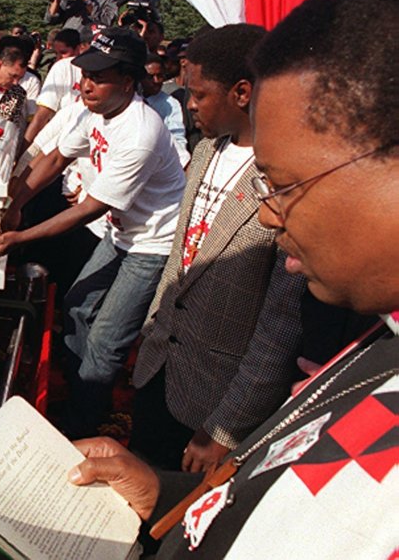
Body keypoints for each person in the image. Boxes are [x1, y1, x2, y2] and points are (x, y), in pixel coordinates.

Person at [70, 0, 398, 558]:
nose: (271, 213)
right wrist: (163, 494)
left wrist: (221, 430)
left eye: (287, 184)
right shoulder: (378, 345)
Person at [0, 28, 185, 439]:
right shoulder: (95, 112)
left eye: (100, 76)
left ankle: (83, 422)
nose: (87, 84)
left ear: (127, 82)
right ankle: (84, 389)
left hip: (153, 242)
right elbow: (55, 158)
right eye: (85, 73)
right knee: (75, 304)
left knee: (107, 337)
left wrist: (20, 237)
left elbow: (92, 207)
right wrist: (15, 203)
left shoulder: (140, 132)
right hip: (120, 232)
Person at [129, 25, 307, 474]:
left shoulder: (287, 178)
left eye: (200, 94)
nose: (189, 104)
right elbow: (181, 257)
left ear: (242, 92)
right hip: (160, 367)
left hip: (213, 401)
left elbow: (280, 324)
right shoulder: (207, 150)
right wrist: (153, 328)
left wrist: (226, 428)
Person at [141, 52, 189, 167]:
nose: (156, 81)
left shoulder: (171, 104)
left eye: (160, 76)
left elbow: (177, 138)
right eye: (150, 77)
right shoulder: (131, 100)